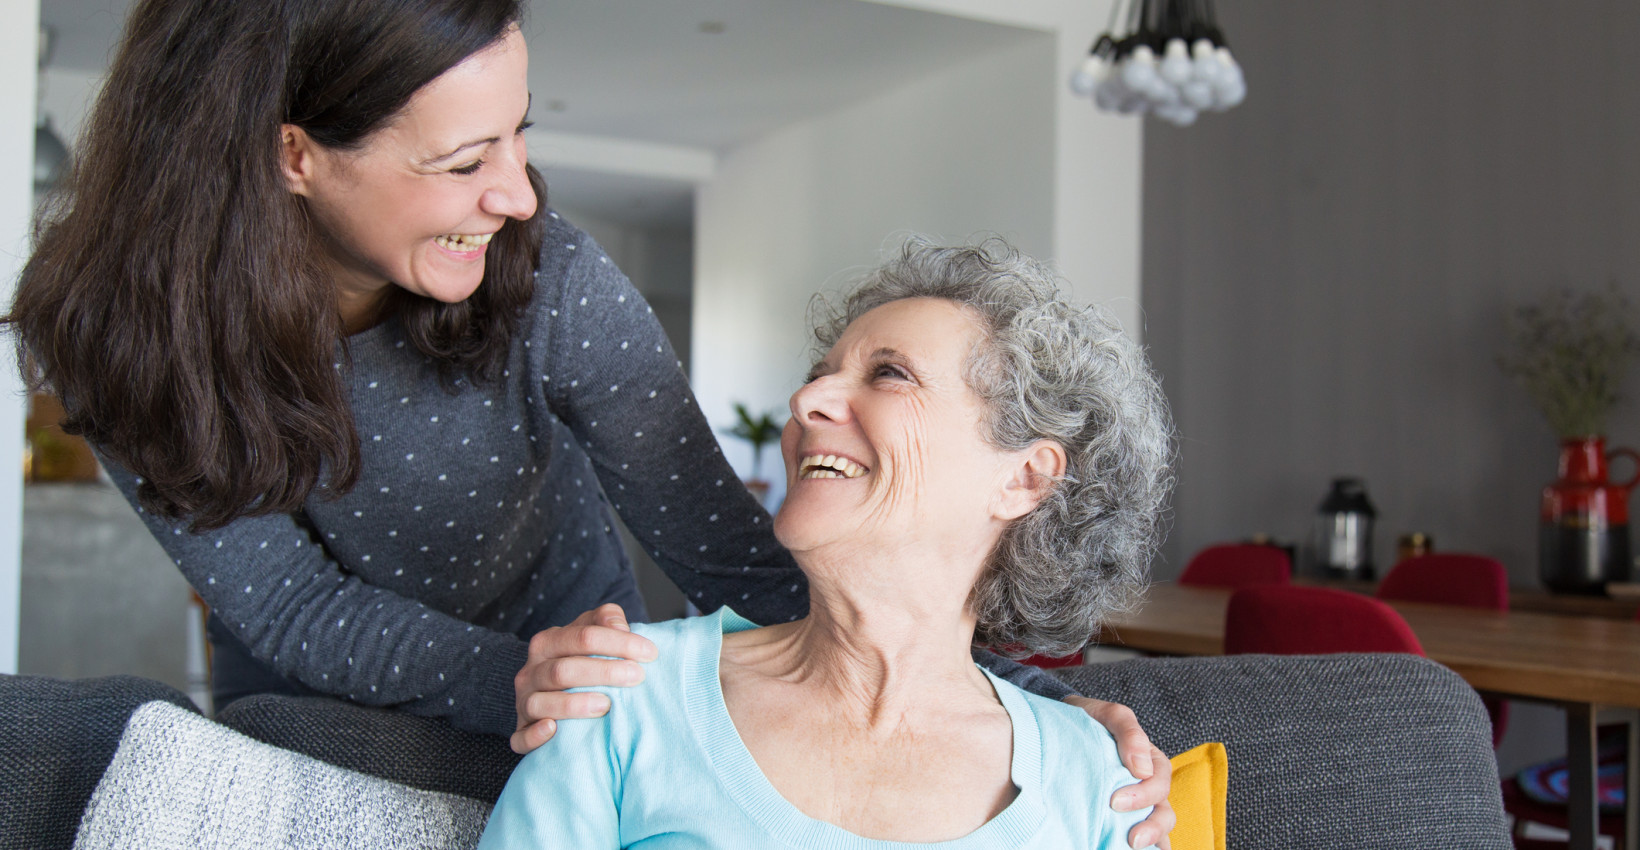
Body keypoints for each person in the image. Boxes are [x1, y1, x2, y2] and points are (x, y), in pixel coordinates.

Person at [6, 1, 1172, 843]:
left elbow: (715, 533)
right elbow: (297, 607)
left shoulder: (544, 271)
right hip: (342, 709)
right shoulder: (119, 338)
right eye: (466, 158)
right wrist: (552, 684)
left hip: (578, 675)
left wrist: (1018, 705)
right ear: (293, 155)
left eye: (520, 132)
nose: (516, 192)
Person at [479, 237, 1175, 848]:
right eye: (819, 375)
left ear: (1024, 478)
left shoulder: (1102, 780)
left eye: (889, 373)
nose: (804, 404)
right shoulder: (618, 694)